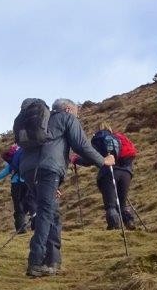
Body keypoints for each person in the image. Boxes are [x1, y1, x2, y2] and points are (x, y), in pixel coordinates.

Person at [19, 99, 113, 277]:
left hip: (29, 170)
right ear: (69, 109)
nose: (77, 116)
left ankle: (53, 261)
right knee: (46, 213)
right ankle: (35, 262)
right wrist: (103, 161)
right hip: (47, 170)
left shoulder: (41, 122)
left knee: (51, 212)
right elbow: (81, 145)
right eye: (77, 112)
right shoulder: (67, 118)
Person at [89, 128, 136, 231]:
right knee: (122, 203)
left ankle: (114, 227)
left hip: (109, 173)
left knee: (111, 204)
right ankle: (130, 222)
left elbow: (91, 157)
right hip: (126, 173)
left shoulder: (99, 139)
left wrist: (75, 159)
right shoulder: (119, 138)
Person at [0, 144, 33, 233]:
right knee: (31, 204)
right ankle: (37, 226)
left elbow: (6, 171)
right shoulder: (27, 153)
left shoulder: (13, 159)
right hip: (28, 182)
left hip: (16, 184)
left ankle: (20, 229)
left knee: (18, 207)